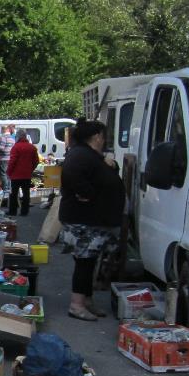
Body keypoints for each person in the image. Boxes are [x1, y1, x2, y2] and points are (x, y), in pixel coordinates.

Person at [59, 119, 124, 321]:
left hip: (91, 219)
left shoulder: (89, 155)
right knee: (85, 262)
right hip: (83, 220)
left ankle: (86, 301)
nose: (104, 141)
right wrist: (87, 193)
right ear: (97, 136)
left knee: (89, 262)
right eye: (103, 136)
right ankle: (76, 305)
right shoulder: (81, 155)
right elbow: (72, 176)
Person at [6, 130, 39, 217]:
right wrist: (31, 169)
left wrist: (9, 172)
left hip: (16, 174)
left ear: (18, 136)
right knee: (26, 193)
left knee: (14, 193)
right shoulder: (32, 147)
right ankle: (24, 211)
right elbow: (36, 161)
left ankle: (13, 211)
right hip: (27, 174)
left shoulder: (16, 147)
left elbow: (12, 161)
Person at [0, 125, 16, 194]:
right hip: (10, 158)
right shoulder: (12, 138)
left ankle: (5, 189)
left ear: (3, 130)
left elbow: (1, 148)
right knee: (8, 174)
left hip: (3, 158)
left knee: (3, 173)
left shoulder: (3, 137)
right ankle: (9, 188)